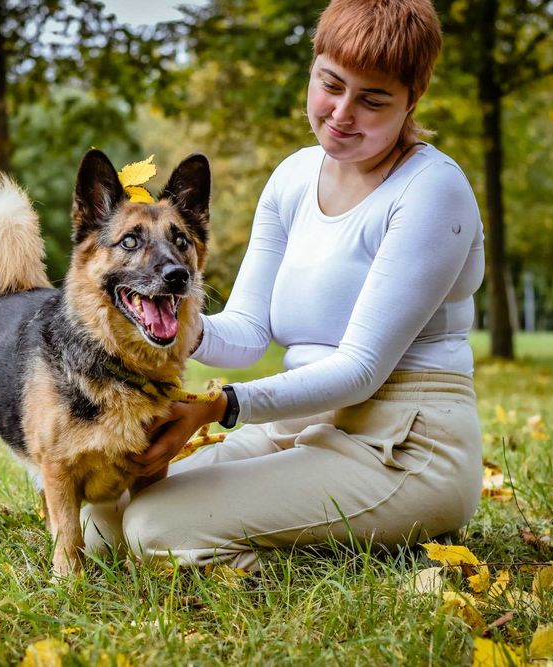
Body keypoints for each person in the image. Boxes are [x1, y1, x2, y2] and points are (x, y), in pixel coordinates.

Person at [81, 0, 485, 571]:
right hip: (298, 424)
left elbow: (360, 371)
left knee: (154, 530)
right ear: (313, 68)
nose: (343, 113)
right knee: (106, 514)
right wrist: (155, 323)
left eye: (373, 100)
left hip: (402, 444)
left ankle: (317, 566)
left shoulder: (430, 191)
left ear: (411, 100)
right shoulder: (294, 176)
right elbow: (248, 331)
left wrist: (222, 406)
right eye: (331, 84)